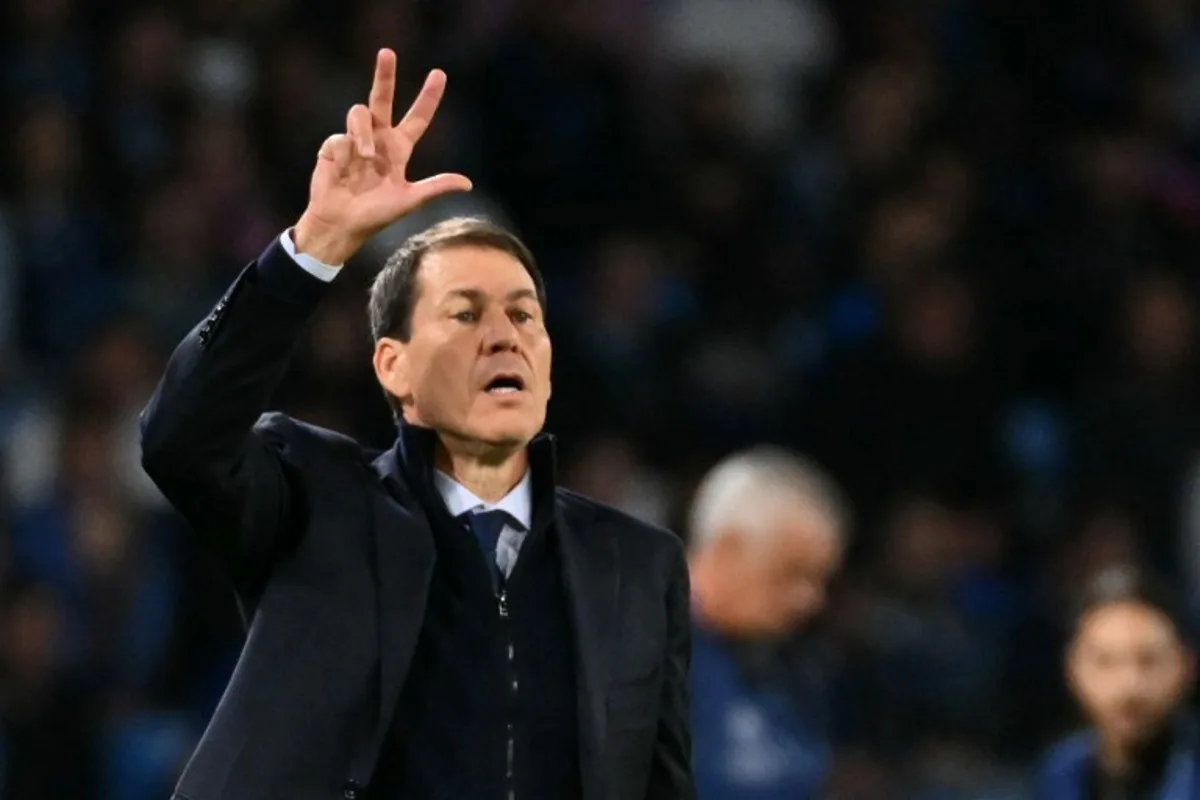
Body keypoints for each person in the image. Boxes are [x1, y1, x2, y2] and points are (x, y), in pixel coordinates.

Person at [139, 49, 692, 800]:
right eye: (465, 314)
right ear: (393, 367)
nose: (504, 336)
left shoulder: (638, 566)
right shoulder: (316, 500)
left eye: (524, 315)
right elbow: (180, 435)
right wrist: (317, 247)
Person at [685, 446, 847, 799]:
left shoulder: (796, 663)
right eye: (791, 575)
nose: (810, 599)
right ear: (727, 550)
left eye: (821, 580)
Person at [1035, 565, 1199, 800]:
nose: (1129, 685)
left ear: (1187, 666)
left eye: (1149, 661)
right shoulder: (1058, 774)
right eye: (1105, 662)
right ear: (1072, 667)